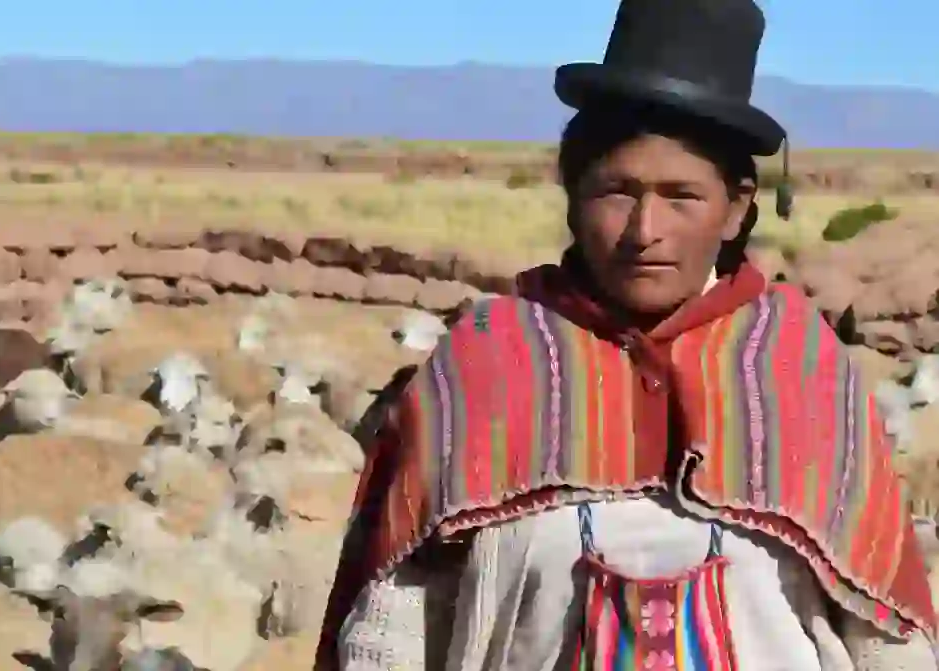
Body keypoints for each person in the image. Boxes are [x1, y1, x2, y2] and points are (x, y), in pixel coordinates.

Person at [316, 1, 939, 670]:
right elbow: (396, 616)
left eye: (681, 197)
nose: (645, 230)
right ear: (572, 193)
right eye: (616, 191)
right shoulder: (489, 357)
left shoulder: (800, 364)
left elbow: (883, 625)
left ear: (736, 209)